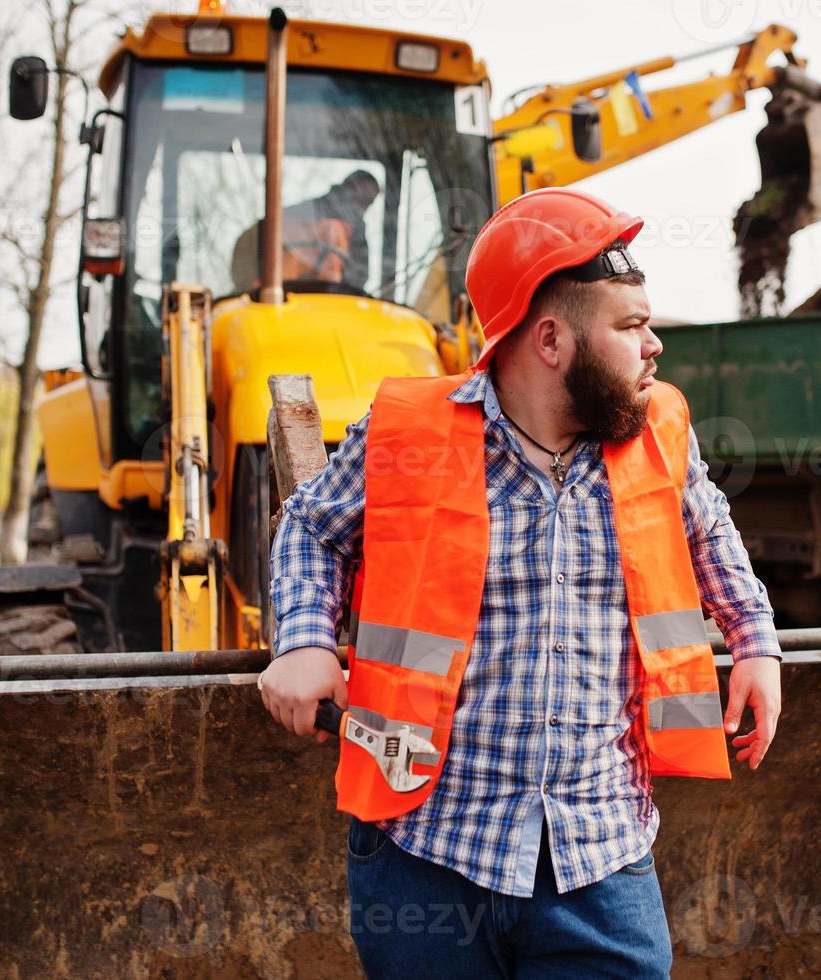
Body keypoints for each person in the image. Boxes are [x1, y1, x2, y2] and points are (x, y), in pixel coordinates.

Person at [257, 187, 783, 978]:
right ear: (550, 340)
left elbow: (709, 533)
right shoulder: (409, 434)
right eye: (631, 326)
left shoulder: (659, 435)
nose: (655, 347)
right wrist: (300, 641)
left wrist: (754, 643)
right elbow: (309, 527)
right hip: (428, 857)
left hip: (599, 866)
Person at [229, 169, 381, 293]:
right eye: (355, 195)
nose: (356, 207)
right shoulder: (289, 220)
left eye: (365, 203)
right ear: (346, 188)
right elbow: (244, 268)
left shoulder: (357, 237)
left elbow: (357, 281)